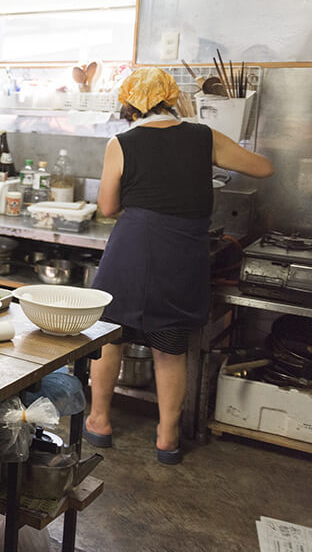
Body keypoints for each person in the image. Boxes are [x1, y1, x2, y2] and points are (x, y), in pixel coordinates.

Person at [84, 67, 272, 464]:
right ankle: (167, 438)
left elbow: (106, 207)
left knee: (110, 337)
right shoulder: (205, 136)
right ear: (173, 98)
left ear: (130, 105)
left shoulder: (121, 143)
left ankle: (99, 421)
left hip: (132, 248)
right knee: (171, 346)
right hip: (183, 251)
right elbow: (263, 168)